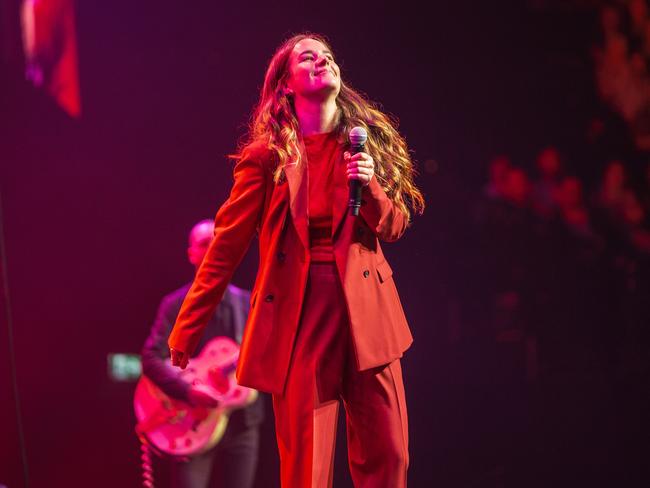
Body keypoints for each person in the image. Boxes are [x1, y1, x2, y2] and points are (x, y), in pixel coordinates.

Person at [167, 33, 424, 487]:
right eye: (309, 57)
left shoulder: (364, 147)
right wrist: (188, 327)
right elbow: (225, 244)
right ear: (286, 83)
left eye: (328, 56)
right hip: (303, 317)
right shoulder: (268, 158)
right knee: (307, 466)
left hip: (370, 317)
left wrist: (372, 186)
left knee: (389, 457)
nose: (323, 61)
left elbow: (395, 226)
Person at [141, 219, 264, 488]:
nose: (211, 249)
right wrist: (187, 391)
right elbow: (150, 358)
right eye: (203, 244)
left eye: (217, 242)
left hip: (242, 421)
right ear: (191, 254)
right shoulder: (175, 305)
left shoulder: (248, 303)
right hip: (192, 421)